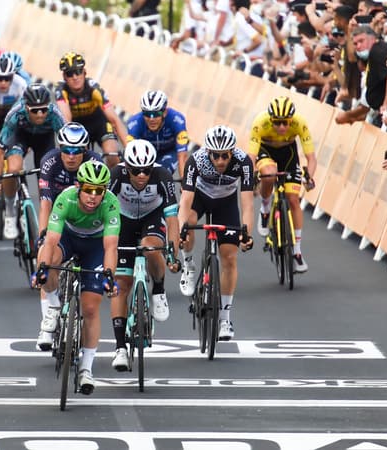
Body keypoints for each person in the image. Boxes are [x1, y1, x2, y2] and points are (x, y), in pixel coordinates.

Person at [32, 160, 120, 395]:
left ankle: (86, 369)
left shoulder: (111, 204)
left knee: (91, 308)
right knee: (48, 262)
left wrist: (109, 276)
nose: (93, 196)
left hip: (95, 247)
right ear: (79, 187)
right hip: (68, 239)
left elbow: (111, 247)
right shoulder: (66, 198)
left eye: (99, 191)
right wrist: (41, 269)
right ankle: (52, 308)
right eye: (88, 189)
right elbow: (50, 241)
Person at [107, 139, 180, 371]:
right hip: (123, 221)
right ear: (126, 167)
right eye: (135, 170)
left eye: (146, 170)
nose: (141, 175)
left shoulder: (163, 177)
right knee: (121, 283)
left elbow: (172, 220)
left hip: (151, 218)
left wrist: (172, 254)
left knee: (151, 247)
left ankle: (158, 289)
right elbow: (103, 209)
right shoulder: (116, 174)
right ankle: (120, 348)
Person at [178, 125, 254, 341]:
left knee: (229, 257)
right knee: (189, 222)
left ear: (232, 152)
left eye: (225, 156)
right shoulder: (196, 160)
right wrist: (183, 230)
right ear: (208, 152)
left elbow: (247, 204)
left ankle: (225, 318)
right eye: (216, 156)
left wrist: (246, 233)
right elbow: (185, 200)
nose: (220, 161)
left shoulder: (243, 162)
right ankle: (189, 265)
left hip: (226, 203)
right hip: (200, 198)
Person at [34, 122, 102, 350]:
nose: (71, 157)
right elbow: (45, 203)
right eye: (66, 150)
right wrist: (43, 235)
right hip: (59, 215)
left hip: (88, 221)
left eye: (77, 151)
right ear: (59, 147)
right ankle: (50, 315)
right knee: (46, 257)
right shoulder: (50, 162)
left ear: (85, 150)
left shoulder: (95, 164)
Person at [248, 96, 315, 273]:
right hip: (266, 152)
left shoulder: (299, 123)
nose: (282, 127)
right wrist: (253, 175)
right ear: (271, 120)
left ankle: (297, 252)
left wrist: (309, 176)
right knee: (268, 175)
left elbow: (311, 158)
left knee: (293, 200)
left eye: (286, 122)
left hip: (288, 155)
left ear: (291, 119)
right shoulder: (260, 123)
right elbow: (251, 157)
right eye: (277, 123)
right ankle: (265, 208)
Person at [0, 83, 66, 239]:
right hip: (21, 137)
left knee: (47, 178)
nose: (40, 114)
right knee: (13, 169)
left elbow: (67, 146)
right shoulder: (15, 114)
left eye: (43, 109)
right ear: (26, 107)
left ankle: (47, 221)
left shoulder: (54, 114)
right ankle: (10, 214)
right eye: (35, 110)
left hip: (44, 140)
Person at [55, 52, 128, 167]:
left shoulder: (93, 88)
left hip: (98, 123)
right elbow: (66, 120)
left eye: (78, 72)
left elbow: (114, 119)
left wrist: (129, 148)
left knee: (112, 155)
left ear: (84, 73)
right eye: (70, 74)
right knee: (80, 159)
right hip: (77, 126)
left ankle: (111, 182)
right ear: (64, 77)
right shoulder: (61, 90)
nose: (75, 77)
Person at [0, 53, 27, 208]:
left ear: (12, 76)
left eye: (7, 78)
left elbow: (26, 113)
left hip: (13, 117)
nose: (3, 82)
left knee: (14, 149)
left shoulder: (21, 84)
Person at [125, 90, 189, 178]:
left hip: (169, 152)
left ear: (165, 112)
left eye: (156, 113)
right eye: (147, 114)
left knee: (162, 174)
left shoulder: (177, 119)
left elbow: (182, 155)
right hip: (145, 152)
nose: (151, 119)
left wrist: (184, 183)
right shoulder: (134, 123)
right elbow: (130, 152)